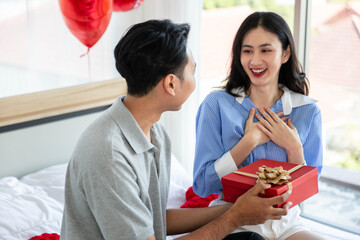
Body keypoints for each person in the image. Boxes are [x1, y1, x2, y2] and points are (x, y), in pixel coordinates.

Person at [60, 19, 292, 240]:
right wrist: (235, 217)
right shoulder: (109, 155)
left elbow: (155, 220)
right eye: (192, 71)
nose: (194, 80)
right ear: (171, 84)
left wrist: (236, 209)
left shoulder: (156, 134)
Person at [193, 12, 325, 240]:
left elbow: (308, 191)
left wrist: (294, 149)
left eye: (265, 50)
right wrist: (247, 143)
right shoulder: (216, 105)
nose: (255, 60)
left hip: (286, 223)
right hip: (234, 220)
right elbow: (203, 185)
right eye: (247, 51)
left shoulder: (307, 111)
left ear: (285, 53)